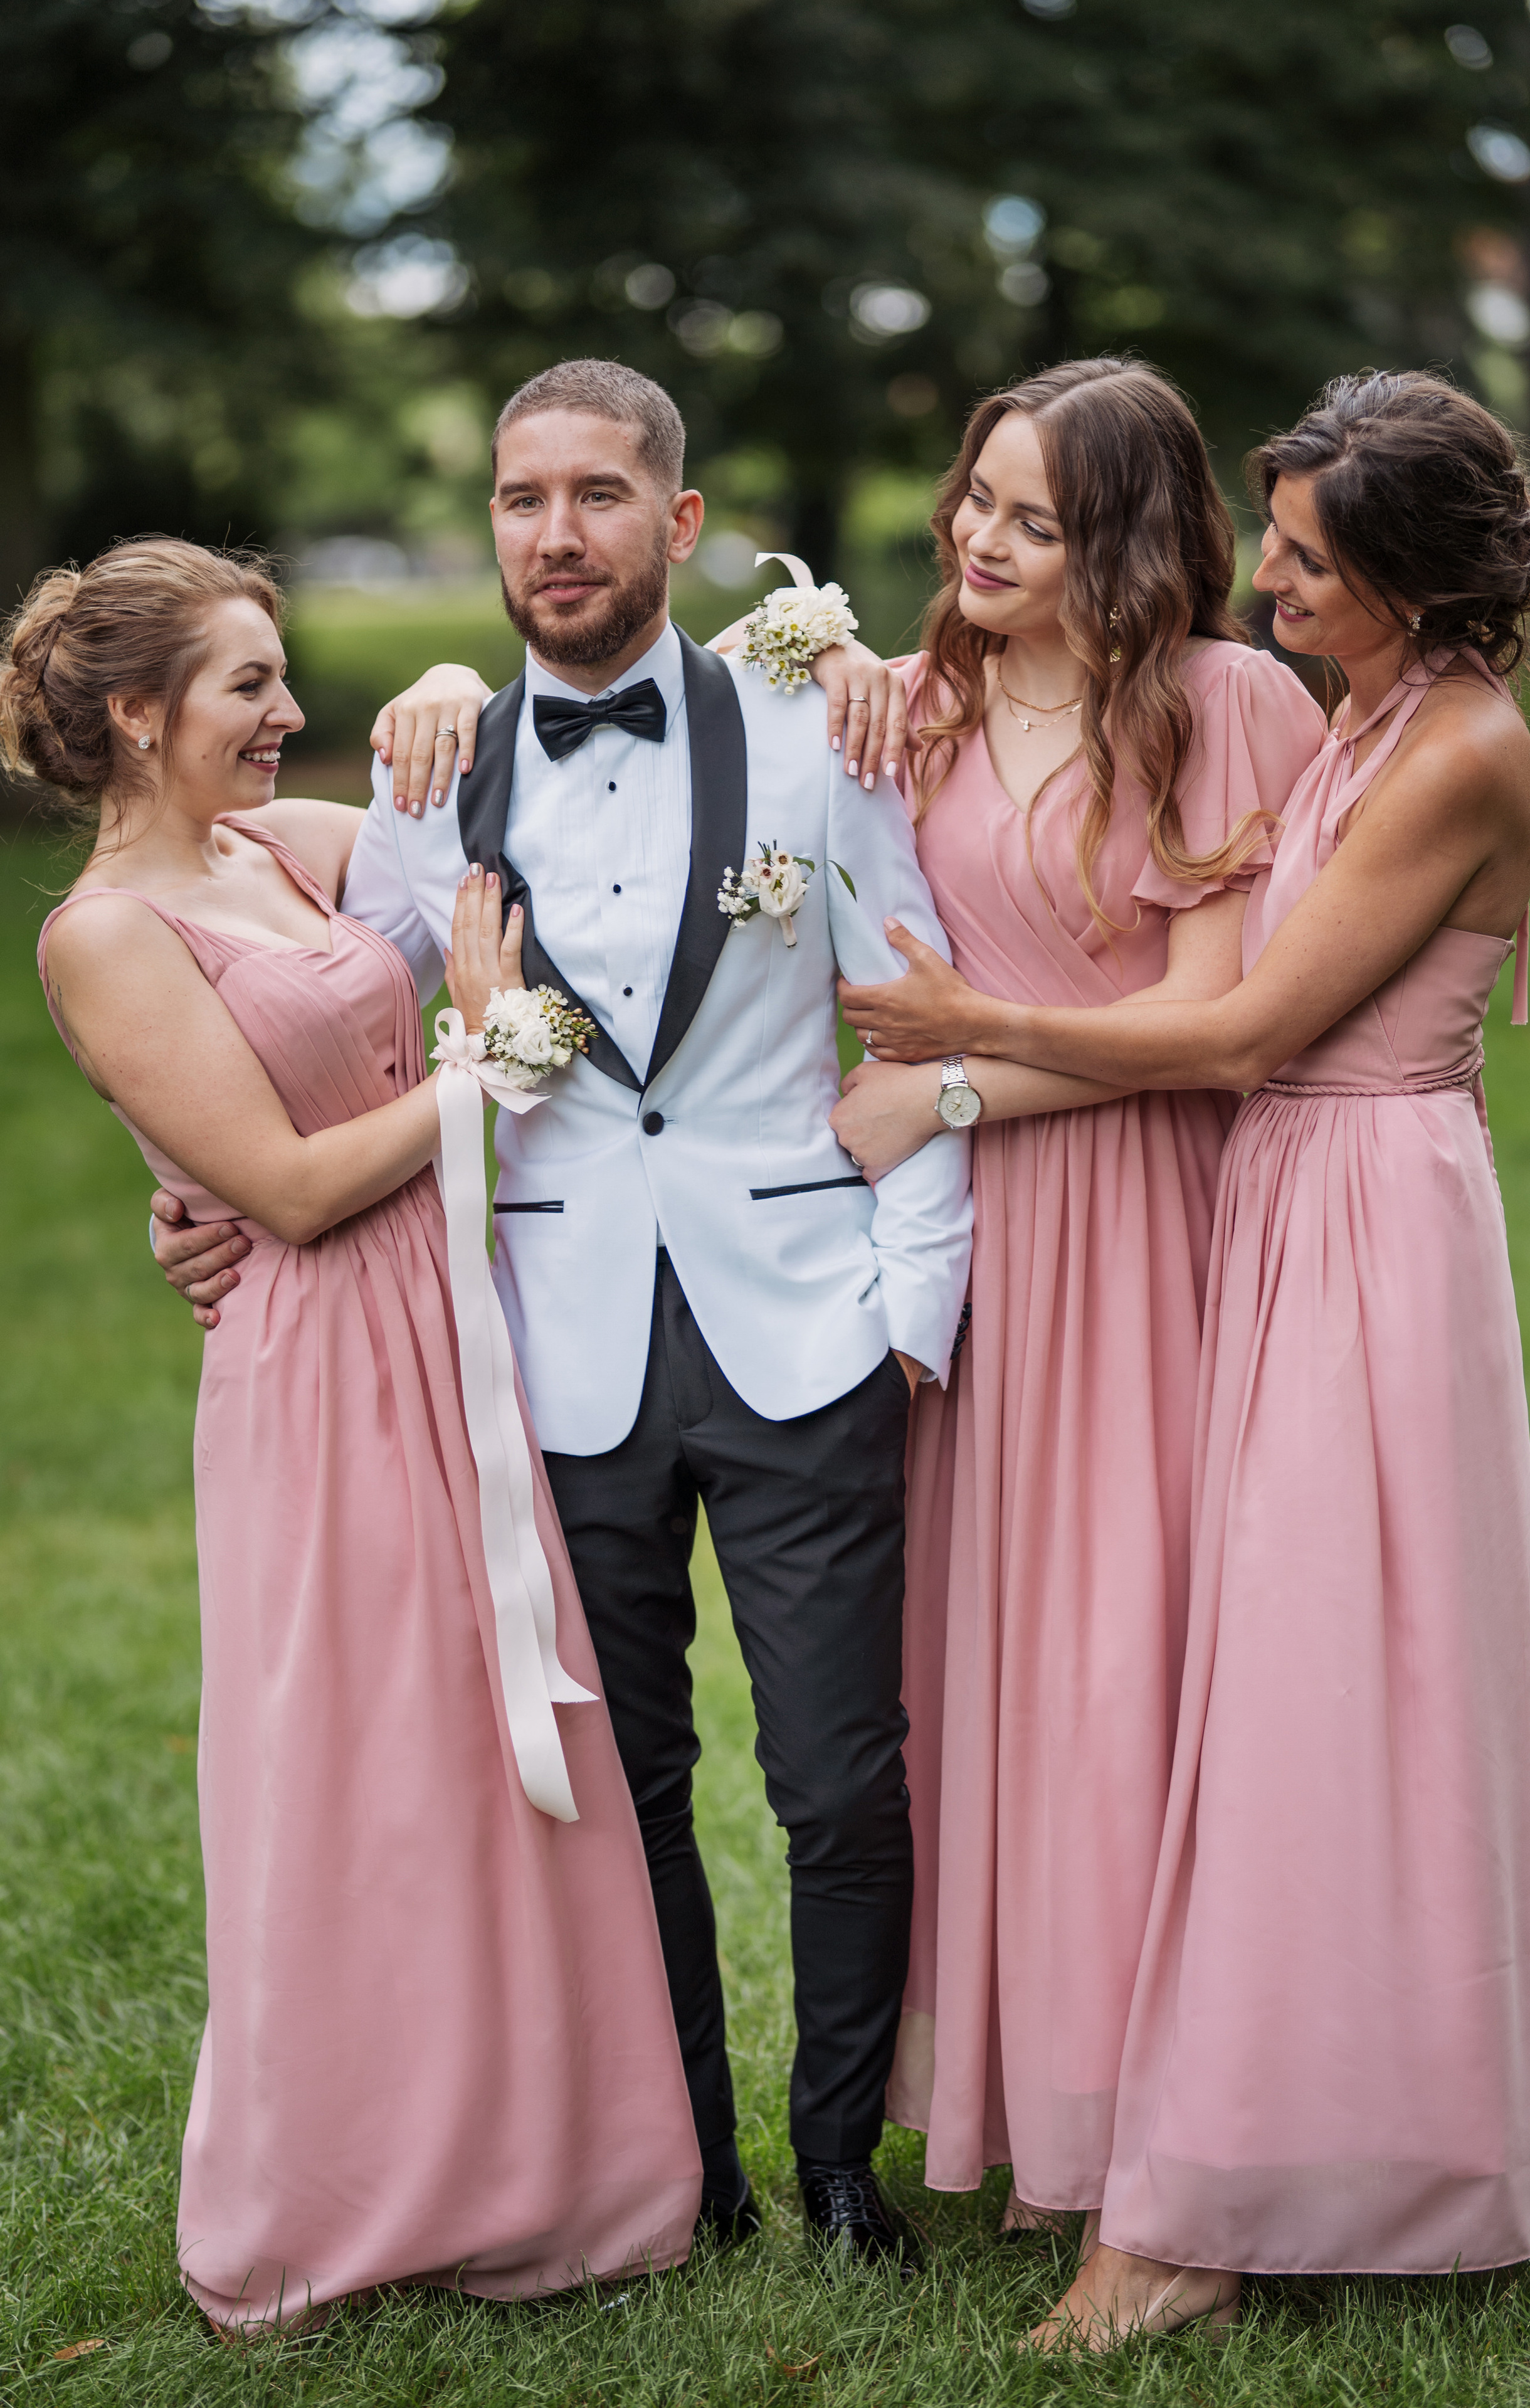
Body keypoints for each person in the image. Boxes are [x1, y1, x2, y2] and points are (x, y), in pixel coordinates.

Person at [152, 360, 974, 2270]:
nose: (556, 534)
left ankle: (843, 2161)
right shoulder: (437, 770)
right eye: (524, 500)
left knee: (842, 1776)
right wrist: (197, 1195)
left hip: (803, 1318)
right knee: (621, 1795)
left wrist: (911, 1296)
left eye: (599, 496)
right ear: (493, 523)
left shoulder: (809, 730)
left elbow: (913, 1004)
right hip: (541, 1336)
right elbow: (324, 1026)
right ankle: (682, 2165)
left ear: (678, 525)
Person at [838, 368, 1530, 2343]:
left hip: (1358, 1212)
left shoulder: (1457, 749)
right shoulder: (1361, 707)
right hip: (1278, 1201)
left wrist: (956, 1041)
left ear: (1414, 582)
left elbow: (1244, 1034)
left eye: (1316, 561)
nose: (1272, 585)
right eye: (1276, 541)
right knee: (1273, 1694)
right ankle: (1235, 2141)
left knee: (1299, 1700)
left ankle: (1197, 2213)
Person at [10, 537, 703, 2333]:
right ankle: (336, 2192)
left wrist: (453, 689)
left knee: (490, 1757)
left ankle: (543, 2170)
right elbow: (293, 1194)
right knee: (357, 1782)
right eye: (249, 685)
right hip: (322, 1376)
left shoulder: (270, 849)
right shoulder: (99, 938)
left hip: (449, 1333)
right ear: (138, 717)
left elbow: (458, 810)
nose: (286, 712)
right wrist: (485, 1059)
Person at [819, 361, 1327, 2245]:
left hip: (1150, 1228)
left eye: (1033, 520)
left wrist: (948, 1082)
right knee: (985, 1670)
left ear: (1120, 537)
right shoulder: (917, 706)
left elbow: (1206, 1040)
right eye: (974, 501)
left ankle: (1161, 2109)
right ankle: (1025, 2100)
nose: (980, 541)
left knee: (1131, 1662)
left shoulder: (1224, 700)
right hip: (971, 1256)